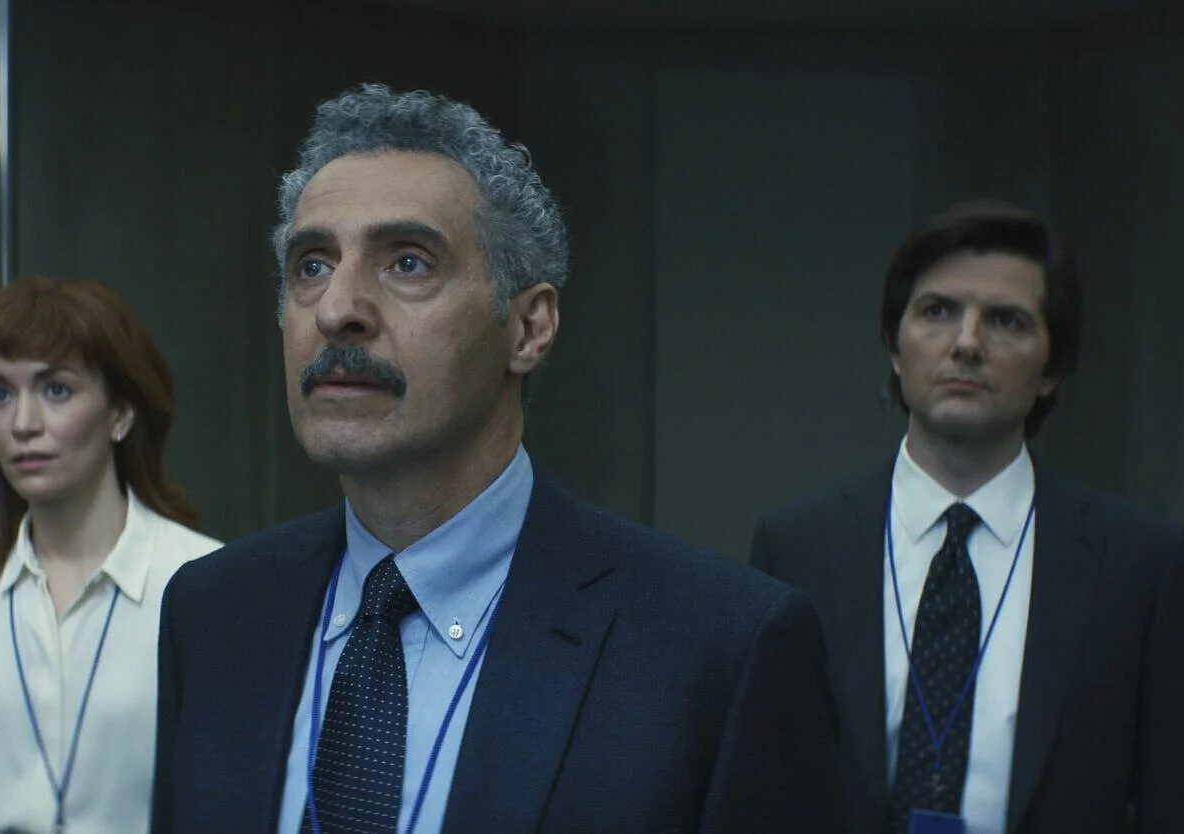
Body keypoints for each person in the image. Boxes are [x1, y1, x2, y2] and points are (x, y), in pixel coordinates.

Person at [152, 83, 848, 833]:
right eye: (312, 266)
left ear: (529, 328)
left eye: (407, 262)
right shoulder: (214, 613)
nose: (337, 309)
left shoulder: (717, 647)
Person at [748, 201, 1184, 834]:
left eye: (1005, 320)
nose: (967, 343)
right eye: (937, 311)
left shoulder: (1138, 564)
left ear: (1053, 369)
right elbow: (757, 788)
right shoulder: (797, 548)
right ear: (894, 346)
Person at [0, 276, 221, 833]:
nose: (23, 424)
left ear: (120, 413)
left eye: (56, 390)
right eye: (0, 395)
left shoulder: (200, 580)